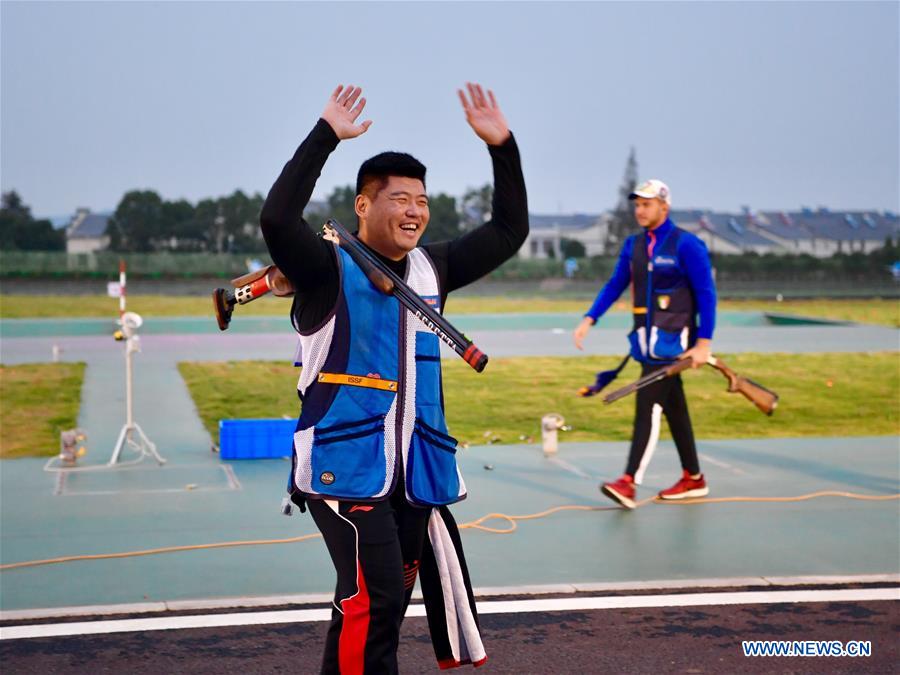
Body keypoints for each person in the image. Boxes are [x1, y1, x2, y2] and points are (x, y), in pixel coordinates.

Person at [260, 83, 528, 673]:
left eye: (422, 201)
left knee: (378, 604)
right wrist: (326, 134)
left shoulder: (436, 268)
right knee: (375, 596)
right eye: (400, 199)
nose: (414, 211)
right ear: (362, 206)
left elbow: (510, 231)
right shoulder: (324, 267)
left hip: (413, 474)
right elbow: (277, 217)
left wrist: (502, 147)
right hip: (343, 472)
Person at [573, 179, 716, 509]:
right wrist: (589, 318)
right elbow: (615, 284)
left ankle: (629, 482)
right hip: (646, 342)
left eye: (647, 204)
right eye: (637, 204)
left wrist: (704, 343)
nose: (640, 210)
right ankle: (694, 478)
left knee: (648, 406)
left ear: (664, 207)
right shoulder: (634, 245)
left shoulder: (687, 245)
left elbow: (707, 294)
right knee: (674, 408)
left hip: (674, 344)